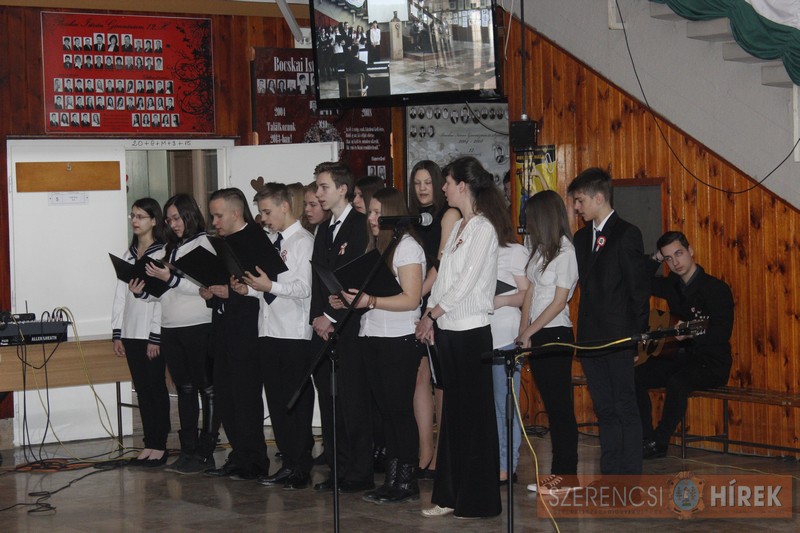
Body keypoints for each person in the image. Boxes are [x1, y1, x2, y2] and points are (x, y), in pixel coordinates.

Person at [415, 156, 507, 519]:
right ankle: (449, 495)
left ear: (463, 186)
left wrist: (434, 313)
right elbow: (443, 277)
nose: (442, 188)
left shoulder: (483, 228)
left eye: (447, 182)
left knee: (474, 416)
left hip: (471, 332)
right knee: (452, 415)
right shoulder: (456, 228)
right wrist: (429, 314)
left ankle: (477, 500)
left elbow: (467, 282)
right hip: (449, 331)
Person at [331, 187, 425, 503]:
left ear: (393, 215)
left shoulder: (407, 248)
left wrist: (369, 300)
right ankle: (392, 478)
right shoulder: (380, 248)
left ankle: (406, 480)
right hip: (372, 337)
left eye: (376, 213)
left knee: (399, 411)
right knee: (386, 412)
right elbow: (373, 296)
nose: (370, 218)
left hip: (398, 340)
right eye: (370, 212)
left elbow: (411, 299)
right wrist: (349, 300)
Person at [231, 184, 316, 490]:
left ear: (285, 206)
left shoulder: (303, 241)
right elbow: (268, 287)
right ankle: (288, 462)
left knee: (295, 403)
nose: (264, 218)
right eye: (261, 212)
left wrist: (269, 287)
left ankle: (301, 466)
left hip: (293, 333)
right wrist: (249, 289)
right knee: (277, 402)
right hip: (268, 330)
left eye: (267, 212)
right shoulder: (270, 242)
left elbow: (304, 288)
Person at [567, 167, 649, 475]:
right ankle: (610, 469)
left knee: (625, 404)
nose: (577, 207)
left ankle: (630, 473)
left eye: (580, 200)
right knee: (603, 406)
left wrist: (638, 336)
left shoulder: (627, 233)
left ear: (599, 198)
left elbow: (638, 290)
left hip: (619, 335)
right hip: (590, 336)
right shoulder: (580, 238)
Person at [134, 194, 219, 474]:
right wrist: (143, 292)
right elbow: (163, 293)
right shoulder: (169, 249)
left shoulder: (204, 243)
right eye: (169, 219)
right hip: (171, 326)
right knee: (184, 388)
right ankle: (188, 450)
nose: (174, 224)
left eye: (178, 218)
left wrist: (169, 278)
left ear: (190, 215)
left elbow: (203, 287)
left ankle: (206, 451)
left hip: (198, 324)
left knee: (206, 388)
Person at [636, 231, 734, 459]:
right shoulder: (672, 285)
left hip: (712, 363)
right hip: (680, 358)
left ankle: (659, 442)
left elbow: (722, 333)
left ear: (690, 251)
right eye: (668, 258)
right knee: (635, 376)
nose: (675, 262)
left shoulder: (716, 288)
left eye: (679, 254)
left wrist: (690, 333)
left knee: (678, 383)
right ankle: (645, 438)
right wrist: (656, 258)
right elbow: (639, 280)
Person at [309, 161, 371, 493]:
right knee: (330, 401)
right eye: (317, 187)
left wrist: (332, 318)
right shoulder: (324, 229)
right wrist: (317, 319)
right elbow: (318, 279)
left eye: (324, 187)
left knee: (353, 400)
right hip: (325, 327)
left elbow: (358, 276)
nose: (319, 194)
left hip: (351, 324)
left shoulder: (360, 225)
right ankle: (339, 466)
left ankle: (359, 472)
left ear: (342, 189)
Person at [202, 188, 270, 481]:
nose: (214, 222)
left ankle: (254, 460)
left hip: (246, 332)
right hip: (223, 329)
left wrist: (229, 292)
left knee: (245, 398)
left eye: (218, 216)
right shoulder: (223, 243)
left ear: (235, 213)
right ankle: (239, 455)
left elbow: (262, 290)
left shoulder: (256, 240)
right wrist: (211, 293)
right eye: (212, 216)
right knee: (226, 397)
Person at [516, 191, 579, 494]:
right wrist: (523, 328)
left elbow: (558, 302)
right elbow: (530, 290)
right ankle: (558, 475)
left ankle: (566, 476)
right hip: (538, 332)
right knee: (553, 405)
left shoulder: (566, 252)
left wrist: (531, 330)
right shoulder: (541, 250)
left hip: (555, 334)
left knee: (559, 408)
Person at [407, 160, 460, 479]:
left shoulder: (449, 215)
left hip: (437, 303)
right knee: (419, 378)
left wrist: (418, 298)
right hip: (415, 304)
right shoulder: (412, 219)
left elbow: (442, 265)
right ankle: (424, 451)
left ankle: (441, 455)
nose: (423, 188)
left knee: (440, 381)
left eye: (428, 182)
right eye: (417, 183)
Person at [113, 198, 170, 467]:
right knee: (143, 390)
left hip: (151, 333)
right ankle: (149, 443)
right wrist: (117, 332)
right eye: (132, 216)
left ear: (154, 221)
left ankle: (160, 445)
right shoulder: (129, 254)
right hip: (131, 330)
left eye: (141, 217)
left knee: (156, 387)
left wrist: (155, 336)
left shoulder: (162, 253)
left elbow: (163, 299)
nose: (135, 221)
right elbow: (120, 296)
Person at [490, 212, 530, 485]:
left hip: (505, 335)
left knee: (506, 407)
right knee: (492, 407)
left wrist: (502, 300)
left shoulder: (514, 251)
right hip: (482, 334)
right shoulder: (479, 252)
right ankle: (495, 460)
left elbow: (528, 294)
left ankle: (507, 465)